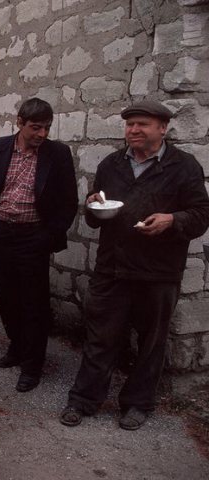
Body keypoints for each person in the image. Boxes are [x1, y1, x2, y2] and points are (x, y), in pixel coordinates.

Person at [60, 100, 209, 430]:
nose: (134, 130)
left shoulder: (184, 166)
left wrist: (173, 219)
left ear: (163, 128)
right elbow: (96, 216)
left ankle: (138, 404)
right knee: (100, 337)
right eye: (129, 125)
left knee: (151, 342)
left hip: (158, 272)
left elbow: (201, 216)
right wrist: (92, 207)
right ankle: (83, 400)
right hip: (111, 268)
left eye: (142, 124)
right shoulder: (112, 164)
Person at [0, 97, 78, 392]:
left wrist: (47, 236)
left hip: (33, 236)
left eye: (47, 128)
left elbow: (68, 202)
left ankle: (33, 365)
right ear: (19, 122)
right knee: (6, 297)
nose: (42, 134)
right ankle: (17, 348)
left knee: (33, 303)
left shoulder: (57, 154)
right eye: (36, 127)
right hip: (0, 234)